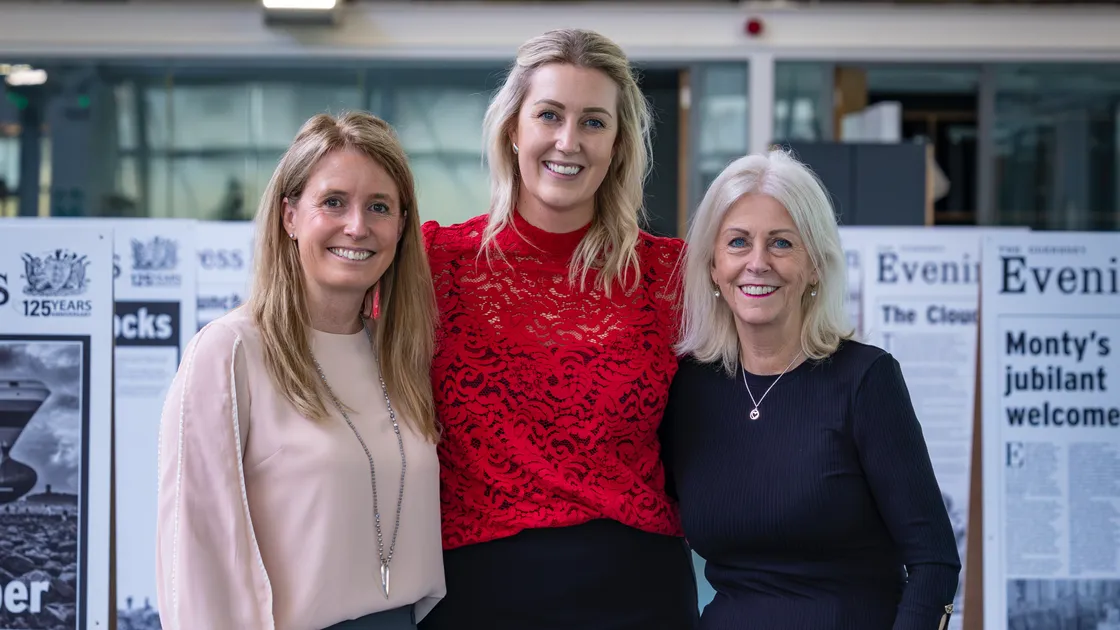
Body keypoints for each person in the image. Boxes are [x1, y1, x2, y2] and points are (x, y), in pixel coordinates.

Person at [418, 28, 699, 630]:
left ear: (619, 143)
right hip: (474, 595)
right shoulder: (434, 265)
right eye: (550, 114)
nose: (568, 141)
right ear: (513, 128)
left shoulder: (672, 275)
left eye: (594, 121)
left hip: (636, 594)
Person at [155, 112, 445, 630]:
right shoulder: (229, 353)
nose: (357, 226)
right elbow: (194, 555)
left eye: (379, 207)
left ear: (401, 226)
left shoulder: (399, 357)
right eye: (333, 202)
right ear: (290, 216)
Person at [661, 149, 961, 629]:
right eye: (738, 242)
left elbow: (935, 563)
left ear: (815, 265)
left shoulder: (865, 381)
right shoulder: (687, 388)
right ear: (714, 266)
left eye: (781, 243)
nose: (757, 263)